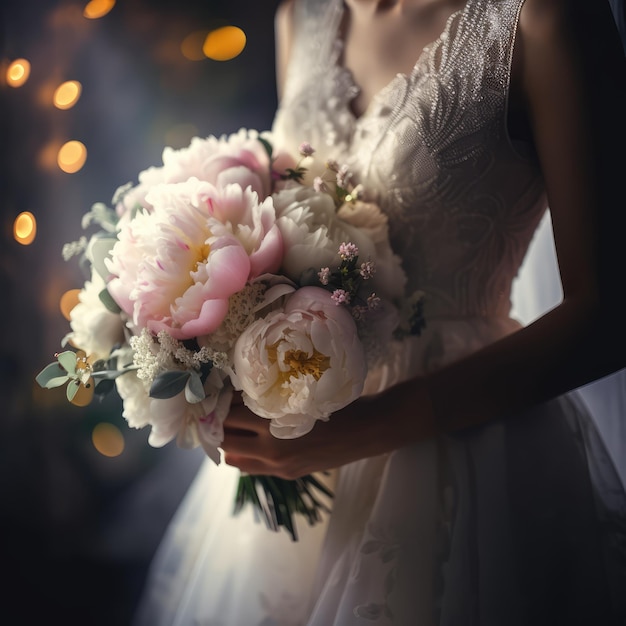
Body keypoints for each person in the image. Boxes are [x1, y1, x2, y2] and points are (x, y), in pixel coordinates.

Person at [133, 0, 626, 624]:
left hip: (472, 449)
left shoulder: (542, 19)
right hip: (299, 437)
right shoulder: (302, 18)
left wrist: (361, 430)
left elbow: (609, 315)